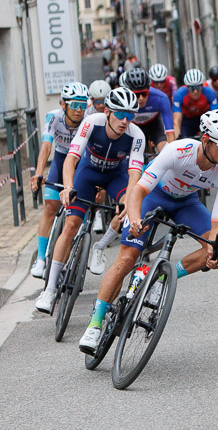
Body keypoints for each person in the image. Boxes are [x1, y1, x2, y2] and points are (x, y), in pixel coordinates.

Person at [78, 110, 218, 353]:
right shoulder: (179, 151)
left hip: (186, 203)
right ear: (206, 140)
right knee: (127, 257)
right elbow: (139, 191)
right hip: (154, 196)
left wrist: (213, 250)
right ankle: (95, 323)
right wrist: (134, 219)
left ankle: (163, 277)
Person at [35, 88, 146, 314]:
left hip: (116, 176)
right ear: (107, 111)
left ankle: (101, 245)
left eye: (130, 115)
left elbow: (135, 174)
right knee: (71, 225)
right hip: (88, 172)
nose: (125, 121)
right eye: (120, 114)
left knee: (128, 206)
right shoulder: (92, 123)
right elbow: (71, 160)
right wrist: (68, 187)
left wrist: (129, 203)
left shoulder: (137, 136)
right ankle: (50, 289)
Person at [28, 82, 90, 279]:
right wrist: (38, 173)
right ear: (63, 104)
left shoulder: (89, 120)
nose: (80, 110)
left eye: (83, 105)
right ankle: (40, 259)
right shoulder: (53, 117)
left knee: (76, 217)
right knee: (49, 207)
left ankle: (67, 256)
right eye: (75, 105)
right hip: (61, 159)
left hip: (81, 163)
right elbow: (46, 147)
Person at [124, 67, 176, 156]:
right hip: (133, 126)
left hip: (154, 125)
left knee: (165, 151)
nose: (141, 98)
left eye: (144, 94)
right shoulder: (123, 100)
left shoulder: (161, 98)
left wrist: (173, 157)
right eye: (136, 95)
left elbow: (170, 132)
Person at [172, 69, 218, 139]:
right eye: (192, 88)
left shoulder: (210, 93)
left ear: (202, 86)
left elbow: (215, 116)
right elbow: (176, 120)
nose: (195, 91)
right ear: (187, 87)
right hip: (187, 121)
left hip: (204, 119)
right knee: (185, 141)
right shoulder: (179, 94)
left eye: (198, 87)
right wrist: (178, 138)